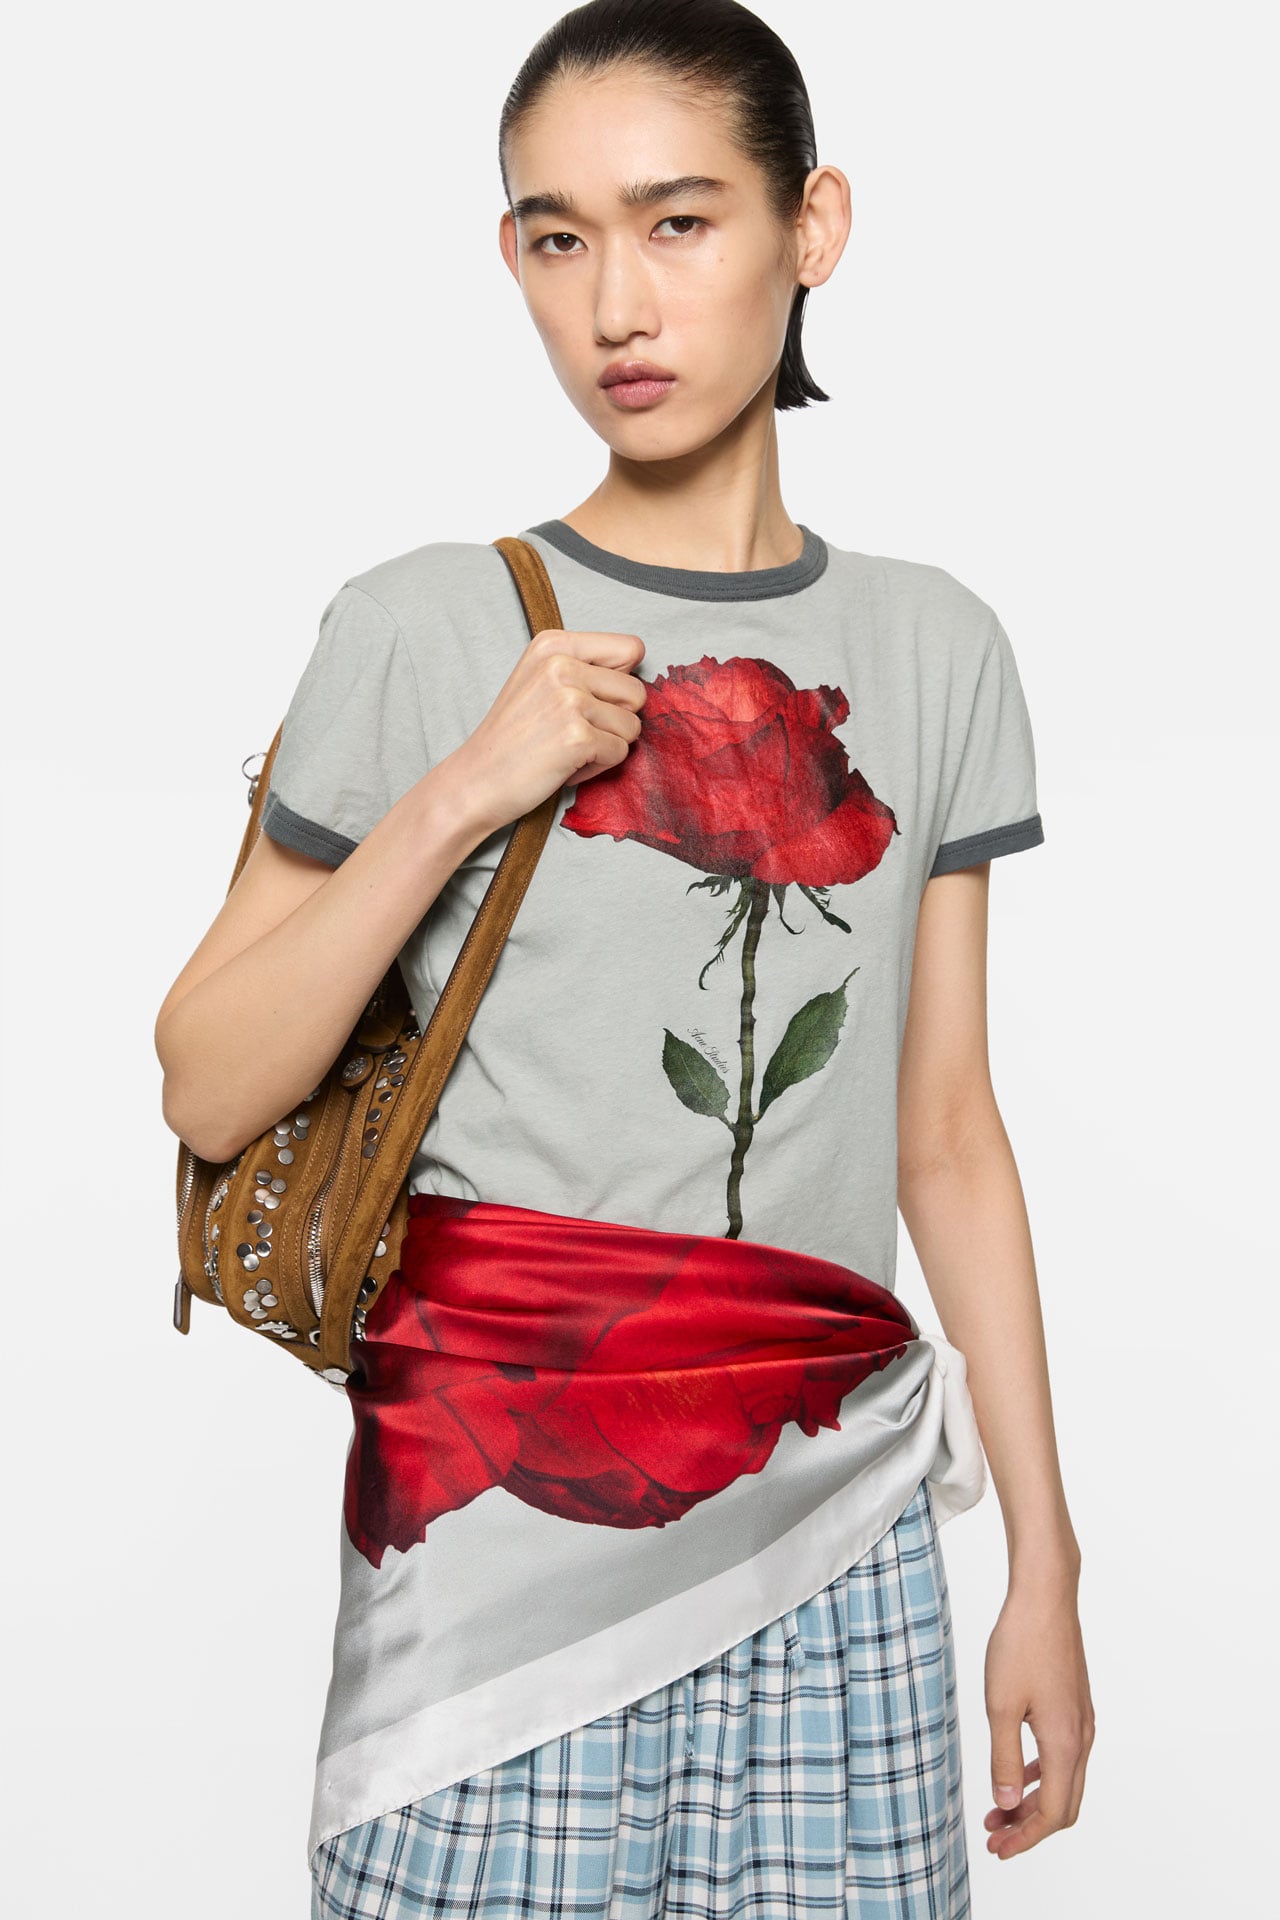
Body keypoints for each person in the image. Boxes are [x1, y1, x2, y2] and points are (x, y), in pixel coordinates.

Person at [155, 2, 1094, 1913]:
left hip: (833, 1551)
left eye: (679, 223)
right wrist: (467, 786)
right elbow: (207, 1080)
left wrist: (1045, 1565)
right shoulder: (422, 625)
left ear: (811, 227)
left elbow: (944, 1136)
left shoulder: (936, 648)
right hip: (489, 1589)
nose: (615, 306)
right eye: (559, 237)